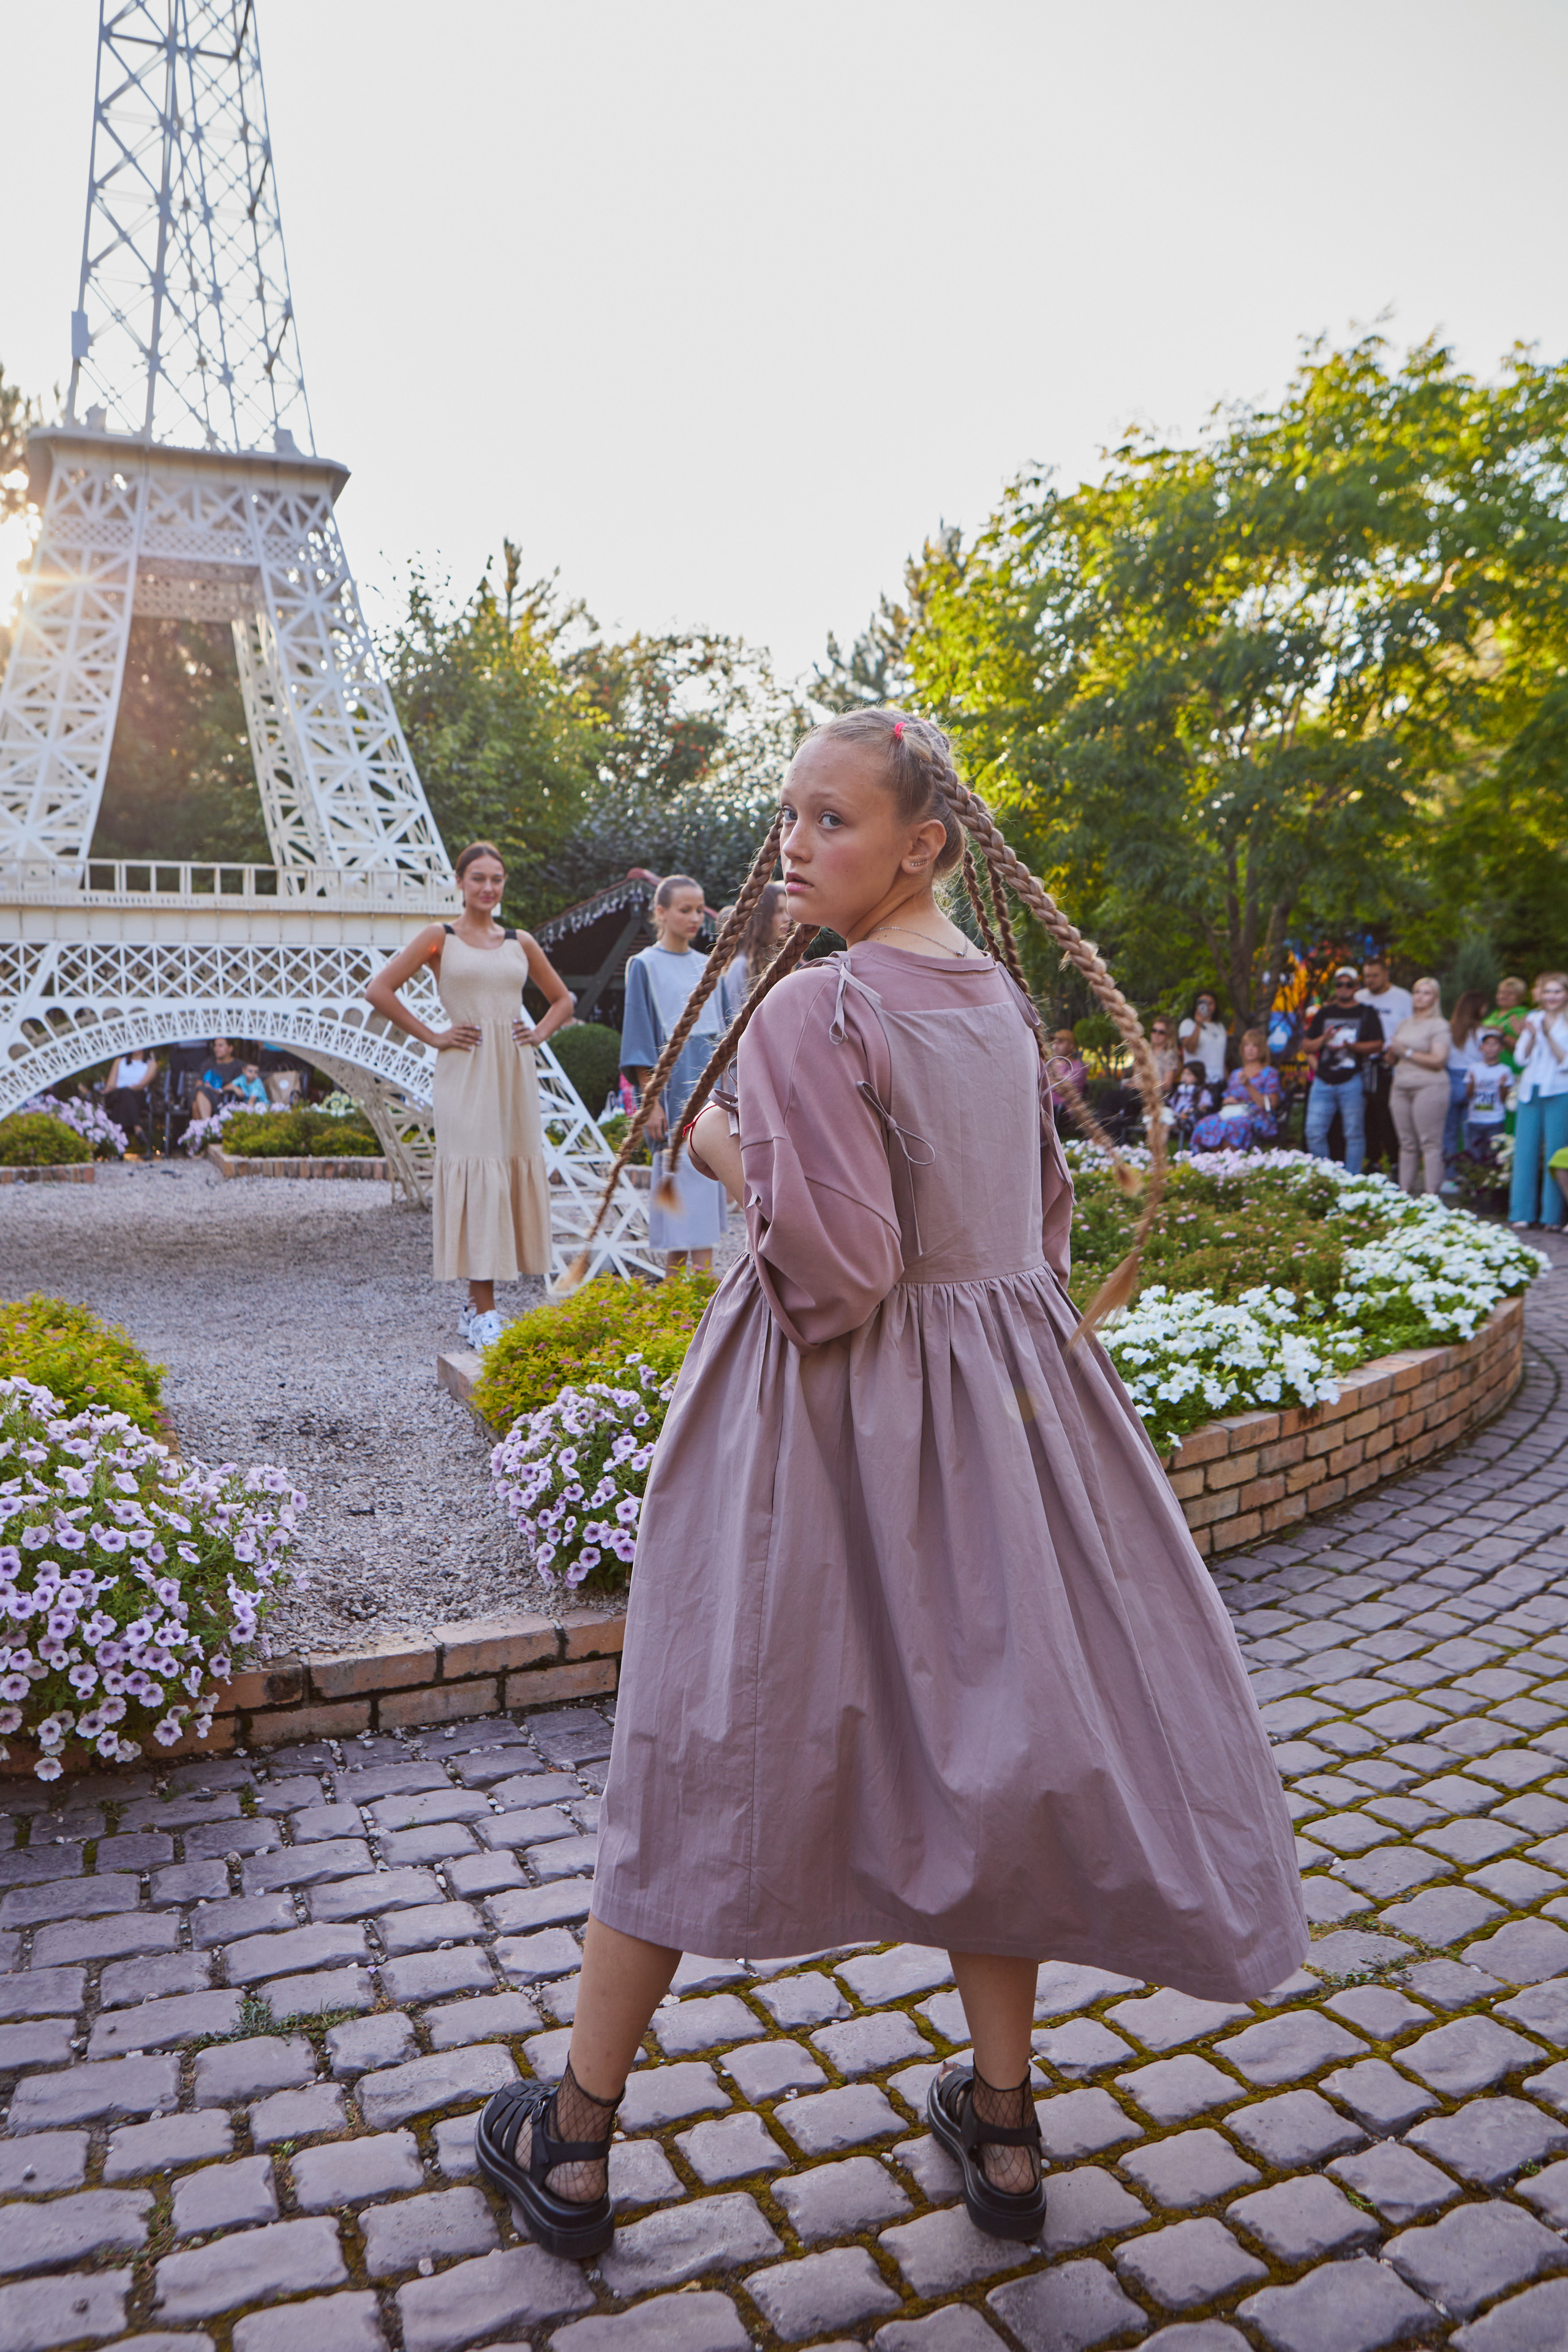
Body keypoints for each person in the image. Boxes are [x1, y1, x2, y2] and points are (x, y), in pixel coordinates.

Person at [474, 707, 1306, 2261]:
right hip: (1000, 1419)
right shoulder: (989, 995)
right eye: (787, 816)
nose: (793, 843)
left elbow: (840, 1268)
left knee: (696, 1731)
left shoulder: (815, 1009)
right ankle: (999, 2126)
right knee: (990, 1745)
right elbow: (1037, 1219)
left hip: (822, 1419)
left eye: (833, 820)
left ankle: (576, 2139)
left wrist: (722, 1148)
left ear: (922, 842)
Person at [366, 840, 575, 1349]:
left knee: (508, 1172)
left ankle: (473, 1310)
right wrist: (435, 1035)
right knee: (478, 1175)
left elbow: (563, 999)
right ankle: (485, 1311)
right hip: (465, 1069)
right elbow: (378, 990)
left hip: (514, 1071)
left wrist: (539, 1032)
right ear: (460, 882)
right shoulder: (439, 938)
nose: (487, 887)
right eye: (478, 878)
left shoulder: (519, 941)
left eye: (496, 879)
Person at [620, 876, 727, 1272]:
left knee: (699, 1201)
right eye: (685, 910)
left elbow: (725, 1040)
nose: (696, 918)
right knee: (683, 1206)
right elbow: (638, 1037)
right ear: (661, 913)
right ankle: (697, 1301)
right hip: (672, 1098)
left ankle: (680, 1303)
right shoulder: (644, 966)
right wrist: (649, 1106)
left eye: (700, 910)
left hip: (711, 1098)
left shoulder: (709, 966)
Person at [1302, 968, 1383, 1170]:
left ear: (1357, 987)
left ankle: (1352, 1180)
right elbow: (1307, 1046)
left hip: (1352, 1080)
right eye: (1339, 984)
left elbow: (1378, 1045)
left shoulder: (1367, 1012)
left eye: (1348, 984)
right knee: (1314, 1132)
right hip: (1323, 1080)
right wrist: (1324, 1039)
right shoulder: (1325, 1013)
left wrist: (1350, 1046)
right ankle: (1327, 1176)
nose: (1343, 988)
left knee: (1354, 1134)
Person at [1508, 971, 1568, 1229]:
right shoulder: (1533, 1017)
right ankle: (1521, 1212)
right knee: (1525, 1152)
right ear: (1540, 995)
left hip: (1559, 1091)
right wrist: (1532, 1035)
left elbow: (1566, 1063)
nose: (1552, 997)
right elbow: (1521, 1059)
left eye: (1557, 992)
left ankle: (1552, 1217)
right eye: (1548, 992)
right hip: (1529, 1091)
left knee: (1555, 1154)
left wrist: (1548, 1034)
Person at [1387, 978, 1453, 1196]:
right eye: (1417, 992)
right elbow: (1392, 1059)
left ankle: (1431, 1195)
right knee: (1406, 1143)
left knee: (1430, 1143)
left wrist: (1405, 1052)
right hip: (1401, 1085)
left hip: (1429, 1086)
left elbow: (1438, 1060)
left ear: (1435, 998)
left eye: (1426, 993)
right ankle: (1405, 1193)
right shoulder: (1404, 1023)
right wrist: (1389, 1050)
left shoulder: (1439, 1025)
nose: (1420, 997)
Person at [1357, 956, 1413, 1170]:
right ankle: (1372, 1160)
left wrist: (1397, 1052)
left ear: (1386, 975)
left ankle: (1396, 1160)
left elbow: (1410, 1027)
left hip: (1392, 1062)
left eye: (1375, 976)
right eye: (1367, 976)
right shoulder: (1360, 997)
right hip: (1364, 1062)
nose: (1370, 981)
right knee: (1367, 1113)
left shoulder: (1402, 998)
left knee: (1388, 1113)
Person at [1191, 1031, 1281, 1153]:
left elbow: (1270, 1105)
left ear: (1262, 1049)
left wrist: (1248, 1086)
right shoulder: (1235, 1074)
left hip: (1257, 1116)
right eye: (1246, 1045)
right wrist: (1227, 1101)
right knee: (1205, 1124)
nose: (1250, 1049)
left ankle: (1230, 1161)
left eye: (1254, 1046)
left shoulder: (1270, 1073)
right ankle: (1219, 1159)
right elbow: (1225, 1100)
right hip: (1232, 1113)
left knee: (1232, 1127)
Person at [718, 881, 789, 1024]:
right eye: (779, 911)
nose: (787, 919)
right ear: (764, 917)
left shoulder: (781, 961)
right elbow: (733, 1025)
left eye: (787, 911)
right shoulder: (741, 967)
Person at [1444, 991, 1490, 1174]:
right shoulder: (1482, 1033)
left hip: (1451, 1080)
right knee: (1472, 1133)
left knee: (1449, 1133)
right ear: (1478, 1009)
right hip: (1474, 1081)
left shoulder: (1449, 1030)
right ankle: (1473, 1176)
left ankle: (1449, 1175)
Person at [1465, 1029, 1512, 1166]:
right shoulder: (1474, 1068)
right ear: (1482, 1047)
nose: (1491, 1048)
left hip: (1495, 1120)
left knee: (1493, 1155)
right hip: (1475, 1119)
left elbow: (1505, 1099)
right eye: (1487, 1044)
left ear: (1501, 1048)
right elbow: (1468, 1095)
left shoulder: (1505, 1070)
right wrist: (1472, 1084)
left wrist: (1502, 1086)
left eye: (1495, 1044)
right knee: (1474, 1155)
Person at [104, 1051, 159, 1149]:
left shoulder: (151, 1064)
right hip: (117, 1094)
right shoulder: (119, 1061)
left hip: (137, 1096)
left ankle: (117, 1144)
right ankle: (137, 1127)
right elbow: (110, 1085)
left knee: (121, 1102)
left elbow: (141, 1085)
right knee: (123, 1094)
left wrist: (126, 1089)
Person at [1178, 992, 1228, 1087]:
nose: (1207, 1006)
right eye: (1202, 1003)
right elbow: (1190, 1049)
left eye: (1211, 1003)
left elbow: (1221, 1056)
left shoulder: (1220, 1026)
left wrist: (1228, 1080)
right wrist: (1198, 1025)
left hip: (1217, 1080)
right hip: (1195, 1081)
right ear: (1196, 1005)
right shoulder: (1188, 1024)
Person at [190, 1038, 241, 1120]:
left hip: (225, 1099)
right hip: (205, 1095)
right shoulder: (208, 1063)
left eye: (220, 1045)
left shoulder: (238, 1065)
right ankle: (207, 1126)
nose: (216, 1049)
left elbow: (240, 1087)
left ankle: (204, 1128)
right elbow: (199, 1082)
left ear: (230, 1048)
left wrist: (221, 1090)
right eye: (215, 1046)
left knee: (197, 1103)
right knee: (201, 1092)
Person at [1168, 1058, 1215, 1144]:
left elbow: (1204, 1108)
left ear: (1198, 1077)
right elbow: (1171, 1106)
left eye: (1189, 1074)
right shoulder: (1180, 1092)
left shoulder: (1203, 1093)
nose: (1184, 1077)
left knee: (1163, 1125)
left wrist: (1192, 1111)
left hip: (1188, 1121)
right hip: (1174, 1118)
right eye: (1184, 1073)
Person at [1147, 1015, 1181, 1091]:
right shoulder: (1146, 1051)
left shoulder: (1170, 1054)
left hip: (1157, 1097)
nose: (1156, 1034)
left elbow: (1167, 1085)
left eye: (1161, 1032)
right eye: (1154, 1030)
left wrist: (1145, 1086)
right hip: (1138, 1093)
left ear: (1168, 1035)